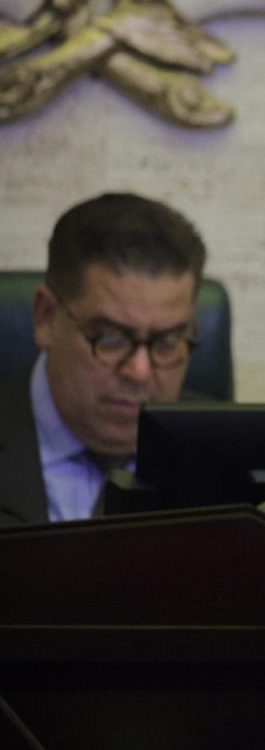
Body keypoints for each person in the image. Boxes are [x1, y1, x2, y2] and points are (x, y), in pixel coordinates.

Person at [0, 192, 206, 526]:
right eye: (111, 338)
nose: (139, 371)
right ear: (46, 317)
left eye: (167, 341)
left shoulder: (223, 457)